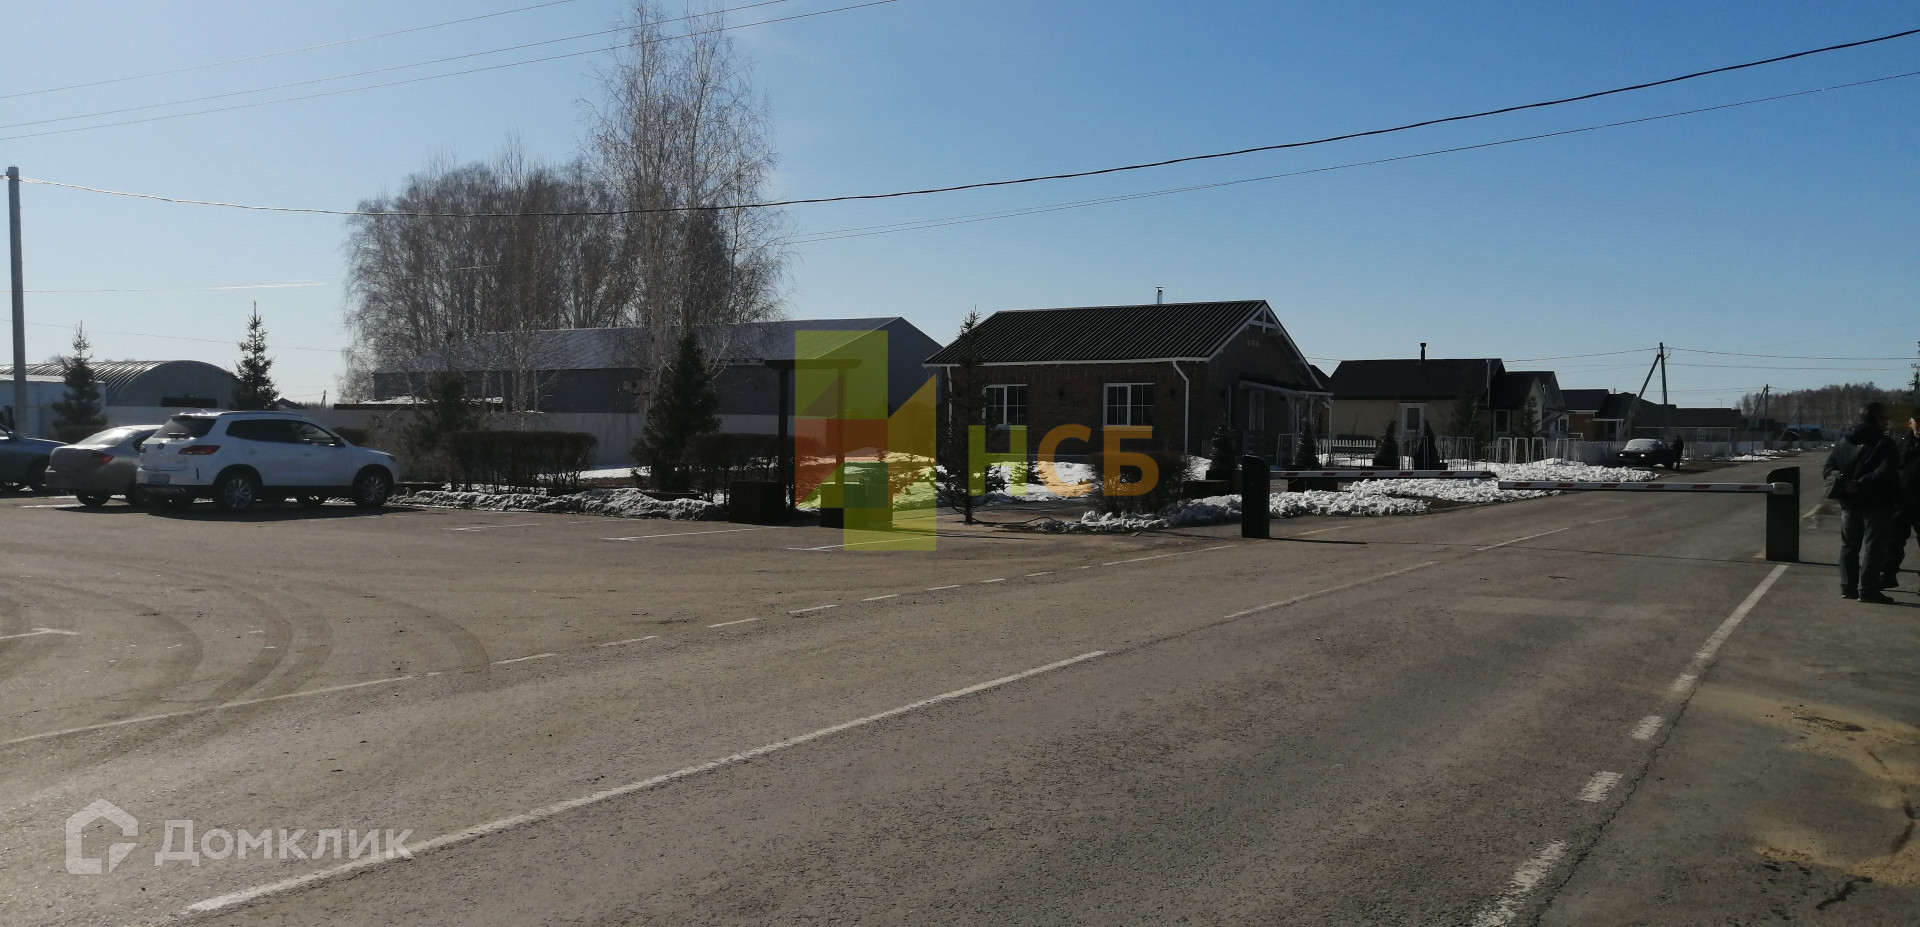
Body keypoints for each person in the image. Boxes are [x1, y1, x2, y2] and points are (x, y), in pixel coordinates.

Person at [1824, 403, 1900, 603]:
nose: (1887, 422)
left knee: (1849, 546)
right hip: (1876, 503)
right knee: (1873, 548)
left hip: (1849, 503)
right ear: (1875, 420)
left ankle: (1848, 587)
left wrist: (1844, 483)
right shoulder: (1884, 443)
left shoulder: (1845, 440)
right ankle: (1868, 589)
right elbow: (1886, 470)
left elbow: (1829, 467)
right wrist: (1860, 484)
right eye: (1884, 418)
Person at [1883, 411, 1920, 591]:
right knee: (1893, 541)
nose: (1919, 427)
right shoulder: (1900, 444)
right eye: (1917, 423)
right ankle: (1887, 575)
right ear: (1910, 424)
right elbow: (1889, 470)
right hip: (1901, 502)